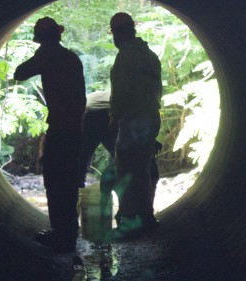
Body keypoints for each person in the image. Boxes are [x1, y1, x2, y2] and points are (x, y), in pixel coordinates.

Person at [13, 16, 86, 250]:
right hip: (75, 128)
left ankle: (61, 235)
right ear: (58, 35)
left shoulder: (47, 56)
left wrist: (40, 56)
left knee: (55, 180)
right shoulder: (71, 57)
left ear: (41, 39)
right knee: (69, 180)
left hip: (60, 128)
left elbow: (19, 73)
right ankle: (69, 232)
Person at [107, 12, 163, 239]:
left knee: (128, 171)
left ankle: (129, 220)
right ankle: (147, 216)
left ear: (119, 33)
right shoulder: (150, 55)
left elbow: (121, 92)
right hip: (151, 117)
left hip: (133, 120)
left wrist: (114, 119)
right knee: (143, 168)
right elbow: (158, 90)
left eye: (114, 33)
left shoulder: (126, 57)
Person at [78, 89, 160, 234]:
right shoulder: (131, 95)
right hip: (108, 114)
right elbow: (136, 125)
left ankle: (77, 214)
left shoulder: (97, 97)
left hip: (88, 114)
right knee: (126, 162)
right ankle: (132, 214)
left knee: (80, 164)